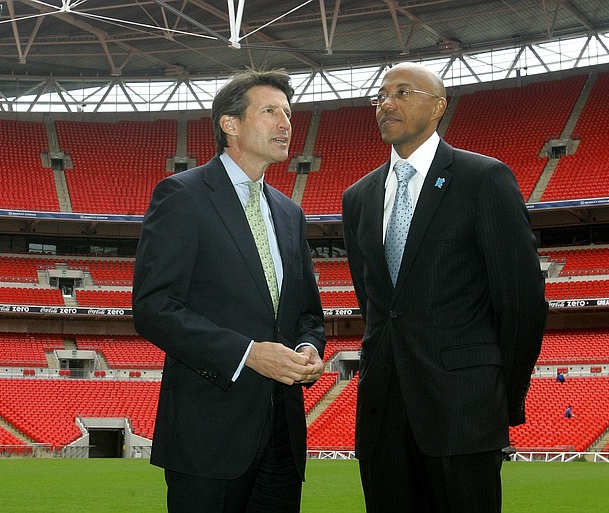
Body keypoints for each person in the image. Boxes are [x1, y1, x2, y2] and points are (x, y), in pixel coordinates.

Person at [342, 62, 548, 513]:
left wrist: (499, 399)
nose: (386, 104)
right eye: (380, 96)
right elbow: (375, 303)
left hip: (463, 412)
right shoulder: (357, 197)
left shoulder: (483, 179)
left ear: (438, 107)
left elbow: (521, 302)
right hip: (382, 414)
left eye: (402, 92)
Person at [133, 68, 326, 513]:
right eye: (270, 111)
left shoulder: (289, 212)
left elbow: (307, 313)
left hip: (283, 434)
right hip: (209, 434)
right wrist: (248, 353)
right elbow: (154, 306)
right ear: (230, 124)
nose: (285, 124)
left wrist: (307, 346)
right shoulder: (182, 195)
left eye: (289, 114)